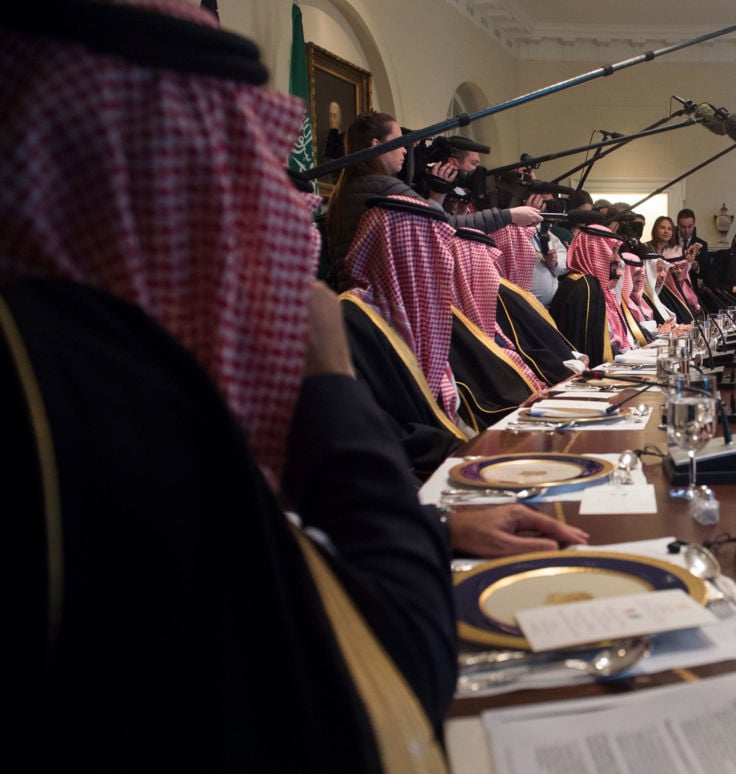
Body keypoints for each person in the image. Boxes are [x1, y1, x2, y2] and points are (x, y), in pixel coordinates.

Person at [0, 3, 458, 768]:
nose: (291, 207)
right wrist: (331, 385)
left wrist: (437, 528)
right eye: (237, 167)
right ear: (135, 185)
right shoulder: (103, 396)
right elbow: (386, 687)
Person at [324, 112, 541, 292]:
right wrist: (509, 216)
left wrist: (436, 196)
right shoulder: (383, 188)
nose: (404, 149)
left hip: (354, 302)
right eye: (398, 142)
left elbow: (432, 221)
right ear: (376, 145)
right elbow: (446, 226)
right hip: (380, 303)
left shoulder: (347, 189)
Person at [547, 224, 630, 364]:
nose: (617, 259)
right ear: (595, 252)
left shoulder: (583, 282)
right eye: (612, 251)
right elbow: (590, 350)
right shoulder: (585, 287)